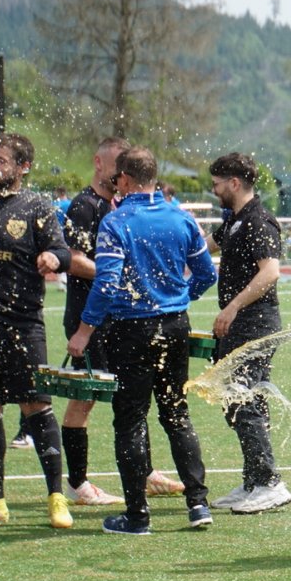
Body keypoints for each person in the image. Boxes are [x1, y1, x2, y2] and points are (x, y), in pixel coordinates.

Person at [68, 146, 217, 535]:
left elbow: (107, 282)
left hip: (131, 330)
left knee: (131, 420)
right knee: (176, 414)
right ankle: (198, 504)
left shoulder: (116, 222)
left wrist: (84, 331)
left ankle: (137, 516)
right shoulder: (181, 218)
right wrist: (179, 298)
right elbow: (206, 274)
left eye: (117, 179)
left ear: (125, 179)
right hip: (175, 326)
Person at [0, 133, 74, 529]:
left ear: (23, 167)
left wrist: (53, 258)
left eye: (1, 159)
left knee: (36, 406)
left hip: (23, 324)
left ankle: (57, 497)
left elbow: (63, 251)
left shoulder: (36, 206)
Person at [202, 152, 291, 515]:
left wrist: (232, 306)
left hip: (256, 323)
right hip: (242, 324)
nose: (214, 190)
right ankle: (254, 479)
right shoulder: (235, 220)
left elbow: (270, 272)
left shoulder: (258, 220)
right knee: (238, 398)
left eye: (217, 184)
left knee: (243, 398)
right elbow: (203, 246)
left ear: (235, 183)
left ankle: (270, 483)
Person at [59, 137, 130, 506]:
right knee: (83, 398)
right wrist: (114, 274)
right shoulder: (83, 205)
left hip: (114, 318)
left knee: (130, 395)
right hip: (86, 318)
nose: (121, 173)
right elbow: (73, 259)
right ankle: (77, 483)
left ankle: (144, 471)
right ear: (98, 163)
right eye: (117, 164)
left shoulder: (116, 205)